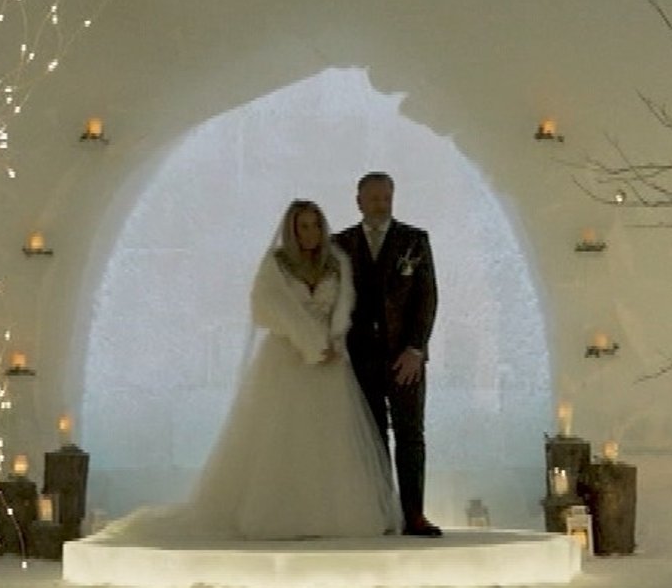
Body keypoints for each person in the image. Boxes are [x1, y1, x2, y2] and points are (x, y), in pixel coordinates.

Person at [97, 199, 399, 542]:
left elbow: (343, 310)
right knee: (282, 437)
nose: (311, 233)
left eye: (316, 225)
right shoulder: (277, 265)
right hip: (288, 361)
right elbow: (267, 309)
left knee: (328, 441)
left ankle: (331, 515)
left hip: (329, 367)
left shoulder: (337, 264)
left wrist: (334, 343)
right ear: (292, 230)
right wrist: (310, 342)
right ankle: (282, 514)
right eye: (303, 226)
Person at [334, 171, 442, 537]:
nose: (381, 204)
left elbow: (427, 298)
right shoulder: (341, 244)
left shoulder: (414, 240)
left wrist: (416, 349)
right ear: (359, 201)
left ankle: (414, 514)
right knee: (371, 436)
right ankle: (379, 514)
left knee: (411, 435)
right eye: (374, 198)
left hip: (405, 360)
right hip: (359, 358)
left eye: (386, 198)